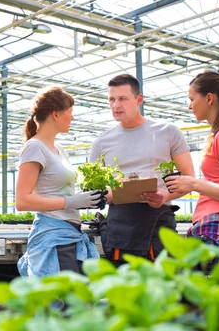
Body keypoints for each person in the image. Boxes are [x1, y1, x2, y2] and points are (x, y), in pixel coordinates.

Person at [90, 74, 194, 265]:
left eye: (122, 99)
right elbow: (92, 194)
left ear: (139, 99)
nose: (115, 105)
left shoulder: (168, 132)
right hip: (121, 227)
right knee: (125, 291)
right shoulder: (101, 142)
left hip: (158, 222)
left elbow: (189, 179)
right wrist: (113, 193)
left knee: (163, 289)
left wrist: (165, 195)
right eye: (111, 99)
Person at [16, 86, 104, 277]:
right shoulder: (34, 147)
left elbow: (58, 190)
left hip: (69, 234)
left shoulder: (58, 149)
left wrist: (86, 197)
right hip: (54, 234)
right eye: (70, 112)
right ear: (55, 114)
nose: (72, 117)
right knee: (62, 303)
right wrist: (70, 202)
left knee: (76, 301)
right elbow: (22, 201)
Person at [164, 71, 219, 253]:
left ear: (209, 98)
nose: (190, 106)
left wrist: (194, 183)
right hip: (217, 222)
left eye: (192, 99)